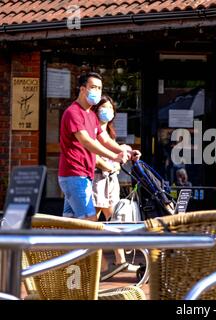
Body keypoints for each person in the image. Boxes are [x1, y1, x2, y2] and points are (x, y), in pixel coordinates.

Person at [58, 72, 134, 221]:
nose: (97, 91)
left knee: (70, 222)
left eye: (99, 88)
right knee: (90, 221)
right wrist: (114, 157)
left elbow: (104, 139)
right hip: (74, 174)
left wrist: (125, 151)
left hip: (85, 174)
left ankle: (68, 245)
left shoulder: (91, 115)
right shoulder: (73, 113)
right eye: (93, 87)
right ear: (82, 89)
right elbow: (86, 141)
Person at [91, 95, 141, 281]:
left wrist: (126, 152)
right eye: (103, 107)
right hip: (96, 179)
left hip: (110, 182)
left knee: (115, 221)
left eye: (110, 108)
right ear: (96, 110)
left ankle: (120, 261)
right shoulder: (91, 129)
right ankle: (101, 261)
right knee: (92, 224)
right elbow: (92, 154)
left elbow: (115, 152)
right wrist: (109, 165)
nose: (107, 111)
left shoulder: (107, 133)